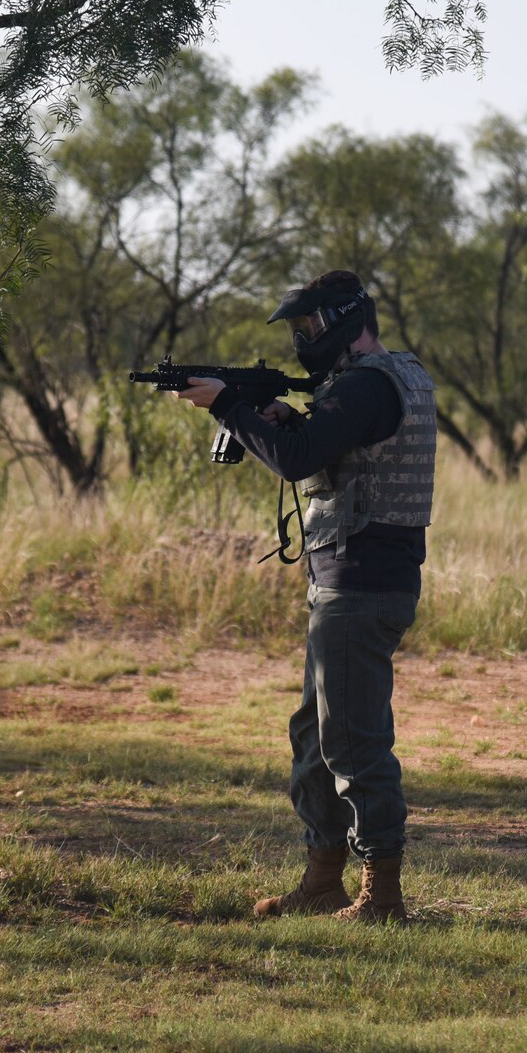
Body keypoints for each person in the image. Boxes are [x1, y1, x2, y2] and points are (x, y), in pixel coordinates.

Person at [170, 270, 434, 924]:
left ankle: (383, 896)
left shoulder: (370, 383)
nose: (304, 340)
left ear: (350, 320)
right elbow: (324, 453)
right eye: (300, 329)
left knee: (352, 741)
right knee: (316, 733)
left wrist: (229, 407)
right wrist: (279, 416)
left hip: (362, 582)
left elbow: (298, 459)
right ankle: (323, 880)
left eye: (312, 327)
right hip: (355, 579)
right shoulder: (382, 380)